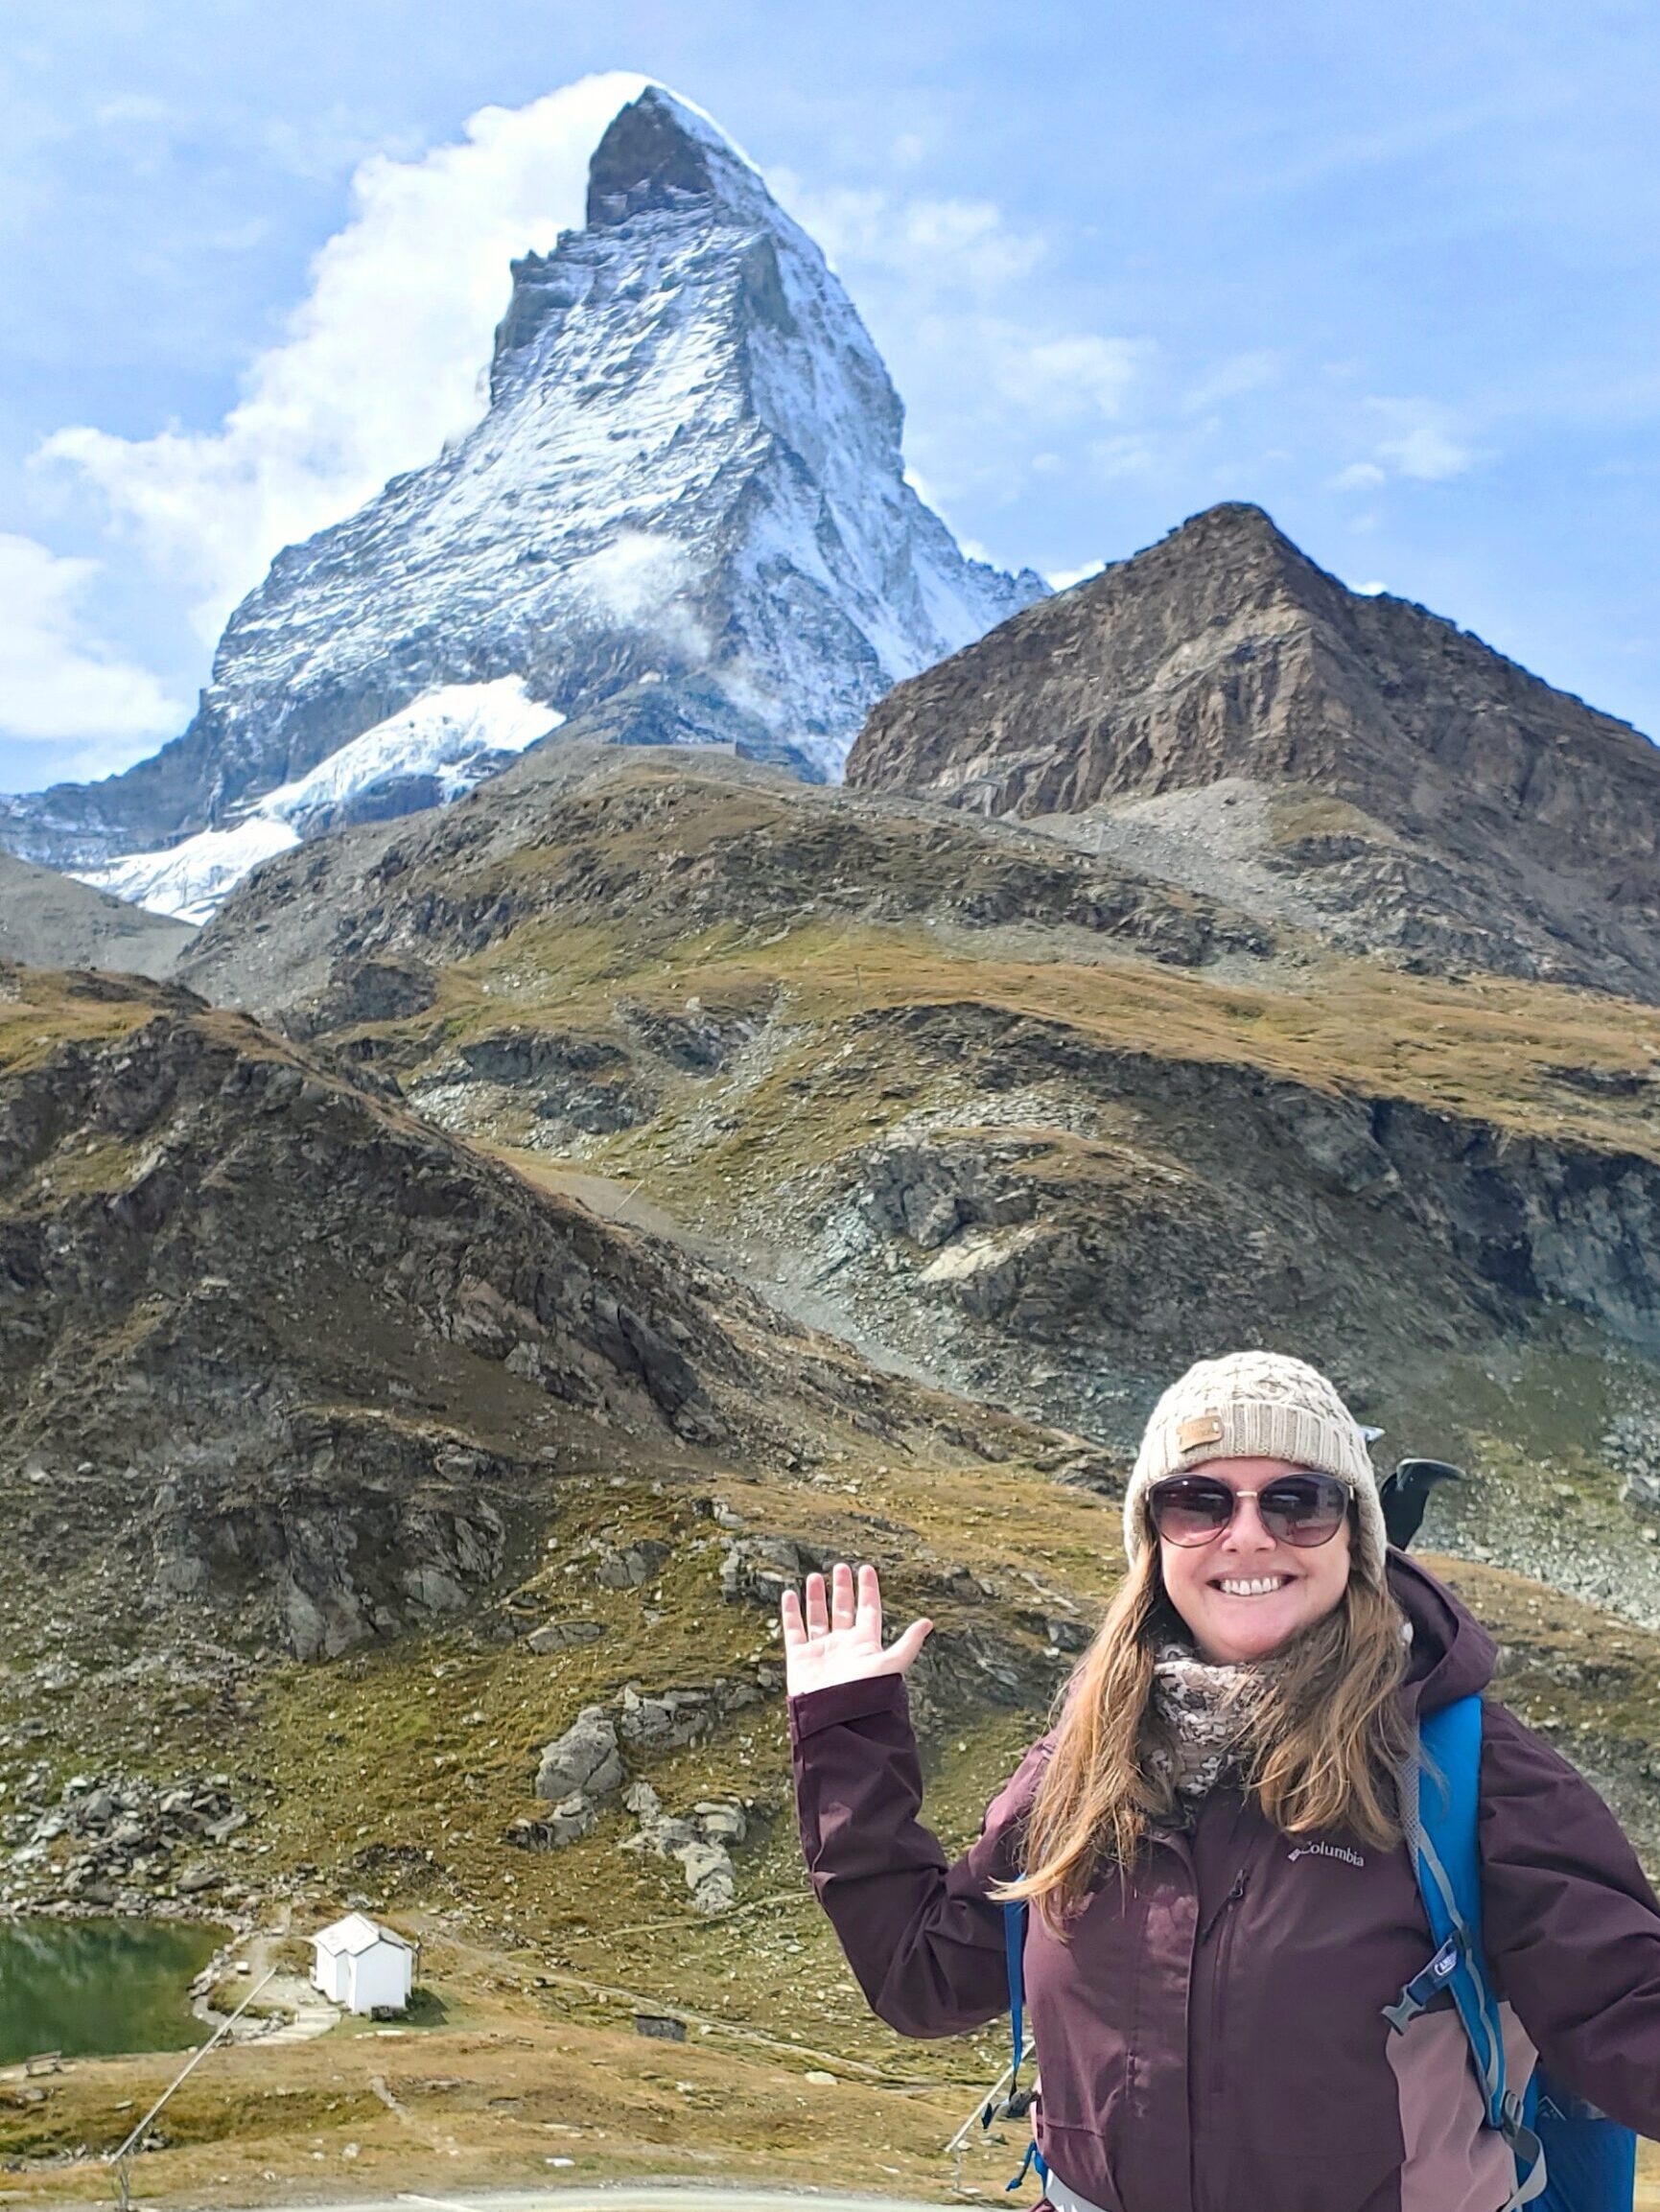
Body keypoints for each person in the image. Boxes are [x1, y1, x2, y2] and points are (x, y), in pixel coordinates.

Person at [784, 1351, 1660, 2212]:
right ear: (1153, 1540)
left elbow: (1626, 2016)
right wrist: (847, 1730)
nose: (1247, 1533)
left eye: (1298, 1502)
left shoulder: (1469, 1767)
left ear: (1356, 1536)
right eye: (1196, 1501)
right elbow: (923, 1976)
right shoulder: (1086, 1760)